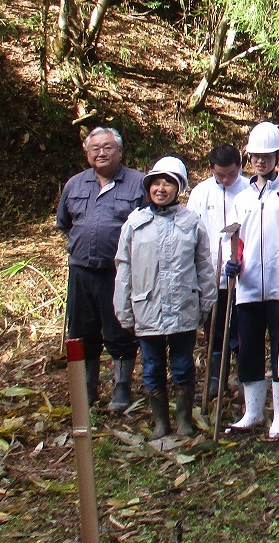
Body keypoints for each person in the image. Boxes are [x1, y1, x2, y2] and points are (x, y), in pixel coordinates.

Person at [114, 157, 216, 439]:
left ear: (178, 188)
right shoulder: (135, 222)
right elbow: (124, 267)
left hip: (183, 305)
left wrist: (206, 301)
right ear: (149, 187)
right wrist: (122, 308)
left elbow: (203, 264)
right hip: (147, 307)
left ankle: (184, 419)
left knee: (183, 366)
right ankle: (161, 421)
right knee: (152, 366)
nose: (161, 189)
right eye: (156, 183)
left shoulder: (191, 221)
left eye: (168, 184)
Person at [56, 126, 145, 413]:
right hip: (81, 271)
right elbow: (65, 224)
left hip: (118, 273)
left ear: (120, 151)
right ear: (87, 153)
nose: (101, 152)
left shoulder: (138, 183)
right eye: (95, 148)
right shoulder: (75, 185)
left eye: (107, 147)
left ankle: (121, 388)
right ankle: (87, 389)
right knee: (82, 331)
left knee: (119, 330)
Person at [226, 121, 279, 439]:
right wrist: (230, 263)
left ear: (278, 156)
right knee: (249, 349)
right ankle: (253, 411)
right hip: (248, 286)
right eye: (256, 155)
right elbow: (231, 238)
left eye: (268, 155)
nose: (261, 160)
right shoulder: (241, 198)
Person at [187, 144, 249, 401]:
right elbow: (191, 229)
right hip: (212, 274)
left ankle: (246, 377)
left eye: (231, 174)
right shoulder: (201, 193)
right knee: (215, 329)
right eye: (219, 175)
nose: (225, 180)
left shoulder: (249, 189)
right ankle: (216, 379)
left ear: (240, 167)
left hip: (245, 275)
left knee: (242, 329)